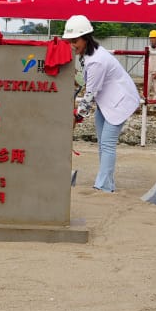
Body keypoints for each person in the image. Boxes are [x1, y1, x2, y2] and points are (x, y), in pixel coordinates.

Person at [64, 15, 141, 192]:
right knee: (102, 143)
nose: (72, 44)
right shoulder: (89, 54)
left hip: (120, 102)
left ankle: (104, 185)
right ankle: (107, 182)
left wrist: (78, 115)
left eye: (75, 40)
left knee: (107, 143)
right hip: (107, 102)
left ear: (86, 37)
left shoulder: (97, 60)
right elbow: (86, 81)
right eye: (70, 40)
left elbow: (90, 93)